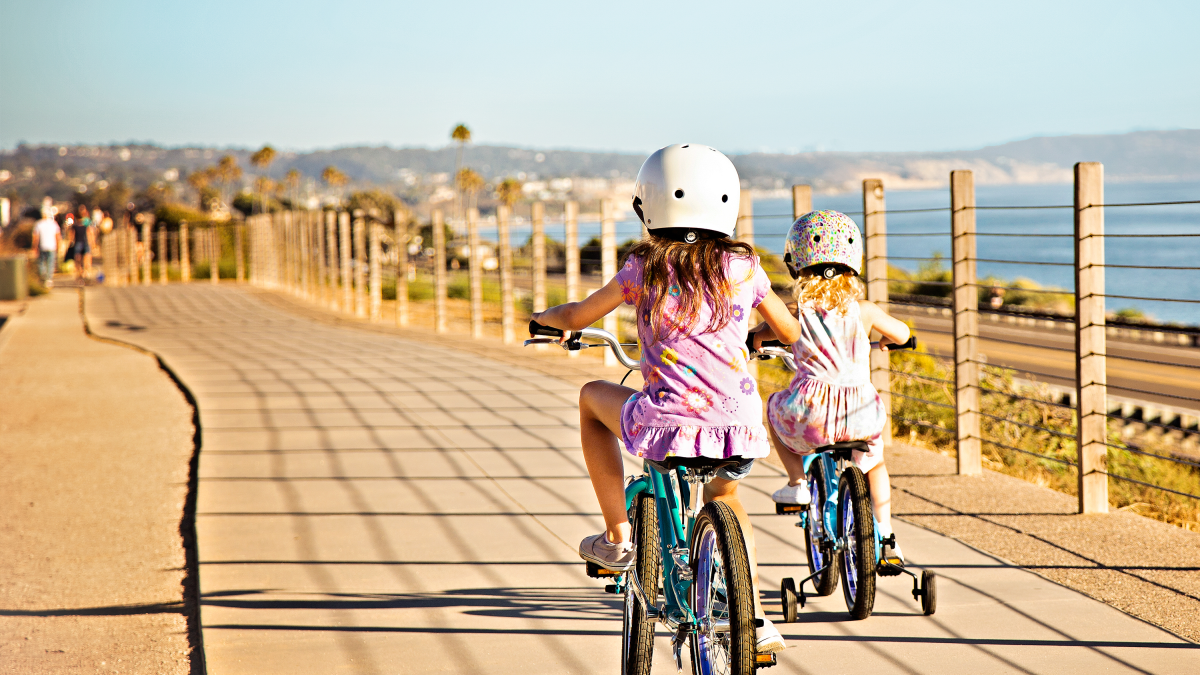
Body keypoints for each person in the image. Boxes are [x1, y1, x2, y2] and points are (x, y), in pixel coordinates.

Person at [530, 143, 803, 653]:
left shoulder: (643, 268)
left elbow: (578, 317)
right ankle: (758, 618)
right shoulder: (744, 266)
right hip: (737, 426)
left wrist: (547, 319)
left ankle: (617, 538)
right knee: (724, 497)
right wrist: (755, 338)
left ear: (648, 203)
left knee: (592, 397)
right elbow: (788, 330)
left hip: (668, 422)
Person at [751, 210, 912, 565]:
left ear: (798, 265)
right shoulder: (863, 310)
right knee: (875, 464)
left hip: (812, 413)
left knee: (774, 407)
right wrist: (887, 340)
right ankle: (885, 535)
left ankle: (797, 482)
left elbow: (765, 333)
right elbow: (902, 333)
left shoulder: (797, 310)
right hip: (861, 413)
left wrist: (755, 341)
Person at [31, 209, 62, 286]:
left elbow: (35, 237)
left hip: (42, 246)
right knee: (50, 263)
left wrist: (34, 247)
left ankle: (43, 277)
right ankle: (48, 279)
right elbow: (58, 236)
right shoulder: (54, 224)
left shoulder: (38, 224)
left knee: (42, 263)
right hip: (52, 246)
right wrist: (59, 246)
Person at [67, 206, 96, 282]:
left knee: (78, 260)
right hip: (85, 243)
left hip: (78, 243)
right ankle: (86, 273)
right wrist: (93, 244)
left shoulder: (75, 226)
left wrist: (70, 244)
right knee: (86, 259)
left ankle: (79, 273)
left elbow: (71, 236)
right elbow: (90, 234)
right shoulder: (86, 225)